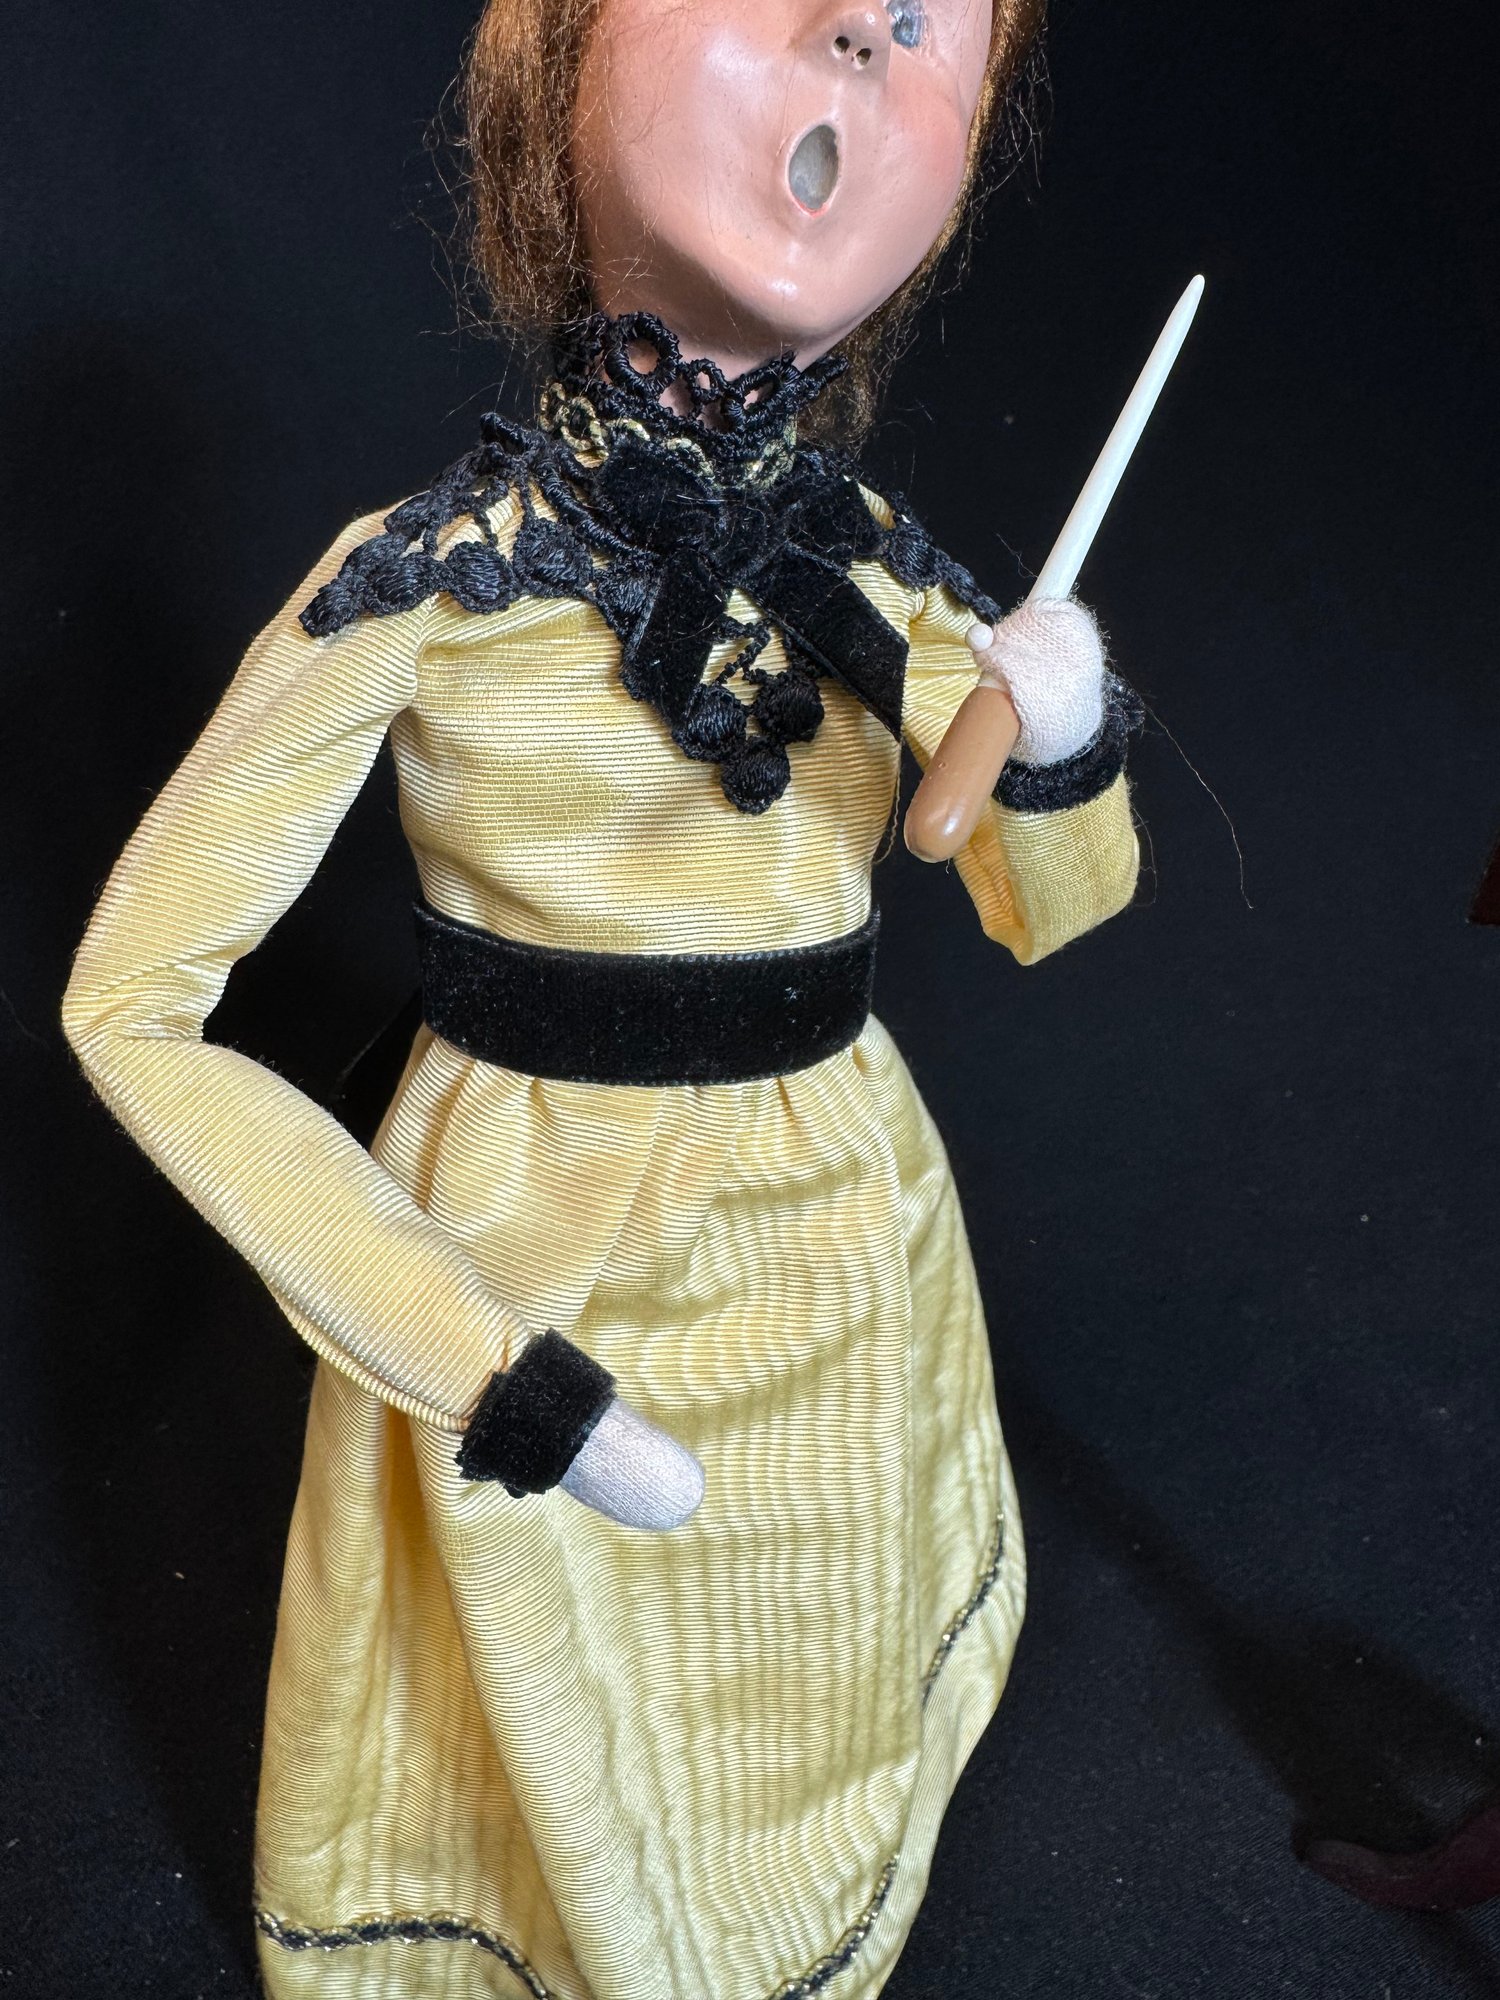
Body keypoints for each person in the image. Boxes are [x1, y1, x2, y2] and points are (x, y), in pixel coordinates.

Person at [62, 2, 1142, 1993]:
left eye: (937, 33)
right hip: (536, 1256)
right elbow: (133, 998)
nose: (859, 35)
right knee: (547, 1697)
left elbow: (1042, 908)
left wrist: (1062, 741)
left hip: (840, 1233)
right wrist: (481, 1361)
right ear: (551, 58)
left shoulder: (885, 583)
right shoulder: (430, 587)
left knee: (806, 1633)